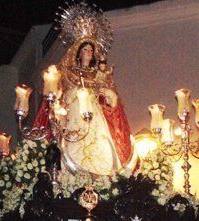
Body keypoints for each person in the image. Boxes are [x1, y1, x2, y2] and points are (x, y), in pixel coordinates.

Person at [31, 38, 134, 176]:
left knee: (100, 142)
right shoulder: (67, 72)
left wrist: (110, 95)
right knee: (74, 141)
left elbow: (109, 97)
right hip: (74, 110)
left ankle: (100, 172)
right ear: (78, 53)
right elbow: (57, 92)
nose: (89, 52)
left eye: (91, 50)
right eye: (85, 49)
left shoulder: (97, 74)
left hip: (94, 113)